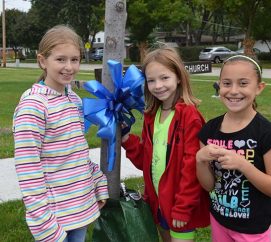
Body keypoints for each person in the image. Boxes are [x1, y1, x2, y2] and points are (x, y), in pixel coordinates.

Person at [13, 25, 109, 242]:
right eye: (61, 59)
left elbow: (76, 151)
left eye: (74, 59)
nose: (69, 67)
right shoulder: (34, 105)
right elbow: (28, 167)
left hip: (79, 207)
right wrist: (43, 221)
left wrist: (97, 181)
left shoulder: (73, 99)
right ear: (42, 61)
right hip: (53, 217)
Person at [196, 55, 271, 242]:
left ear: (259, 88)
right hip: (220, 219)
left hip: (253, 228)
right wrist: (200, 160)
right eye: (227, 83)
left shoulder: (267, 133)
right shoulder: (209, 131)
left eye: (243, 83)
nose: (234, 91)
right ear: (218, 86)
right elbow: (209, 185)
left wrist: (243, 164)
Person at [121, 47, 210, 242]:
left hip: (180, 205)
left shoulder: (189, 115)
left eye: (164, 78)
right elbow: (147, 161)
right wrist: (127, 140)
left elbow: (192, 167)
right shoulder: (152, 115)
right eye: (151, 80)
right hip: (158, 204)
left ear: (178, 77)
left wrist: (183, 207)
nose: (158, 85)